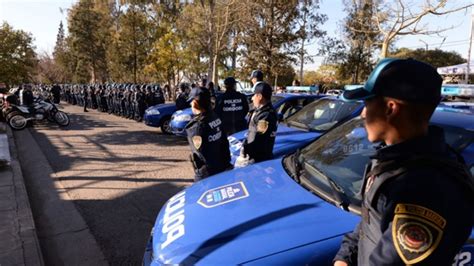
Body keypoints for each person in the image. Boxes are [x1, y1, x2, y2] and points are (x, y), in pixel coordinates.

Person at [333, 58, 474, 266]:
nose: (363, 113)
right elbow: (369, 222)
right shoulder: (393, 162)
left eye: (367, 103)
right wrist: (345, 257)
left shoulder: (426, 189)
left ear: (390, 108)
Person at [185, 87, 232, 181]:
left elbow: (201, 155)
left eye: (191, 102)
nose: (190, 104)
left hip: (207, 175)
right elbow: (224, 142)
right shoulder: (215, 117)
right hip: (222, 167)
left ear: (195, 103)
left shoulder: (197, 127)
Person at [235, 71, 277, 167]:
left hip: (258, 160)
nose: (252, 98)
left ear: (260, 96)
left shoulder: (266, 116)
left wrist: (245, 151)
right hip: (254, 156)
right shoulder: (260, 110)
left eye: (254, 95)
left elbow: (259, 139)